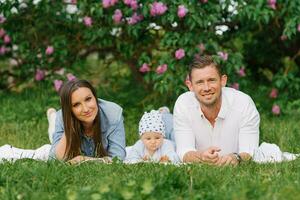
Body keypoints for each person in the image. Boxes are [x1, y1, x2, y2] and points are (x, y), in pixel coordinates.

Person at [0, 79, 126, 164]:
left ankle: (52, 118)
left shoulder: (113, 114)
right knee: (52, 140)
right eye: (76, 105)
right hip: (64, 121)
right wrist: (69, 123)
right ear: (69, 110)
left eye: (88, 99)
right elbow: (54, 159)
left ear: (95, 97)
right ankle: (54, 119)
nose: (86, 109)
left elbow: (118, 159)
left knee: (53, 134)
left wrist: (83, 159)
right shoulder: (64, 117)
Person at [173, 55, 260, 166]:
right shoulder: (183, 104)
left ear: (223, 81)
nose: (206, 88)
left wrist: (236, 158)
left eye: (211, 80)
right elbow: (183, 151)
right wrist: (200, 157)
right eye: (200, 82)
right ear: (190, 86)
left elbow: (250, 151)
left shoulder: (244, 104)